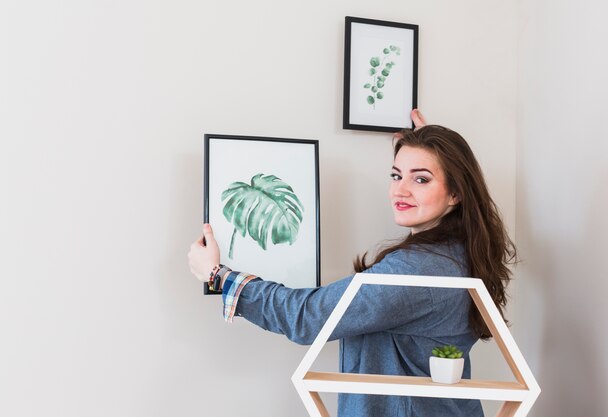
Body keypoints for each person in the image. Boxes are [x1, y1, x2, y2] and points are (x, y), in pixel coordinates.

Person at [188, 109, 516, 417]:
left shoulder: (416, 271)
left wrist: (218, 274)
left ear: (455, 193)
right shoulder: (461, 252)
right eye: (396, 174)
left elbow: (307, 317)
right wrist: (429, 149)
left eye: (421, 180)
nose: (399, 190)